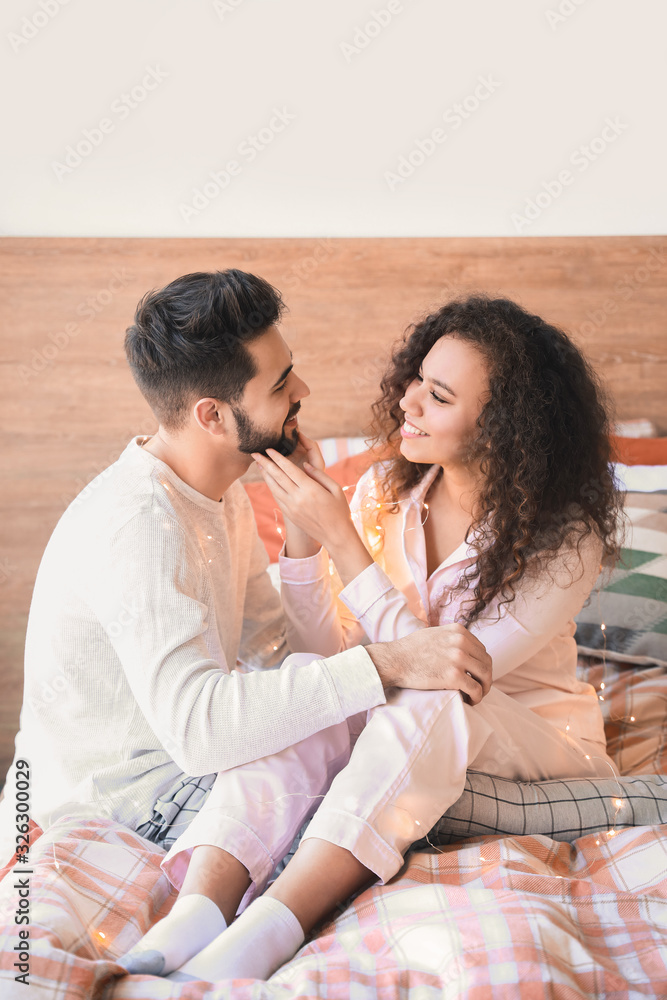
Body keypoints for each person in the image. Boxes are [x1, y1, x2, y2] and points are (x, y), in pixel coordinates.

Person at [0, 269, 491, 968]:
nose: (302, 394)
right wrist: (387, 664)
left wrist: (303, 539)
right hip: (122, 802)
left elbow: (276, 653)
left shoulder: (218, 489)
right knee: (385, 755)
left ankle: (214, 922)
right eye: (281, 383)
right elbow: (203, 733)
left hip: (180, 775)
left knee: (354, 721)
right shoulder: (137, 524)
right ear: (211, 414)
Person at [126, 294, 622, 985]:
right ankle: (201, 907)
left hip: (537, 742)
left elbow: (457, 672)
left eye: (438, 396)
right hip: (426, 724)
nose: (408, 404)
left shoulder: (567, 538)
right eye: (415, 380)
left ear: (504, 426)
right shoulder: (388, 493)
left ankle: (276, 923)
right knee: (309, 689)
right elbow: (331, 659)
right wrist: (304, 535)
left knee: (432, 697)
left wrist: (342, 542)